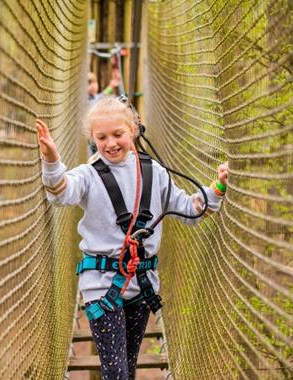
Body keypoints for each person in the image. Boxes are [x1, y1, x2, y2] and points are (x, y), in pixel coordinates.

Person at [36, 97, 229, 380]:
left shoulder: (156, 174)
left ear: (134, 131)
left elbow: (189, 210)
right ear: (92, 138)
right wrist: (52, 160)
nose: (110, 143)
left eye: (118, 134)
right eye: (101, 137)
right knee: (115, 373)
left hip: (142, 285)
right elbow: (61, 193)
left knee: (127, 367)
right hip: (101, 286)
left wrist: (217, 188)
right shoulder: (88, 175)